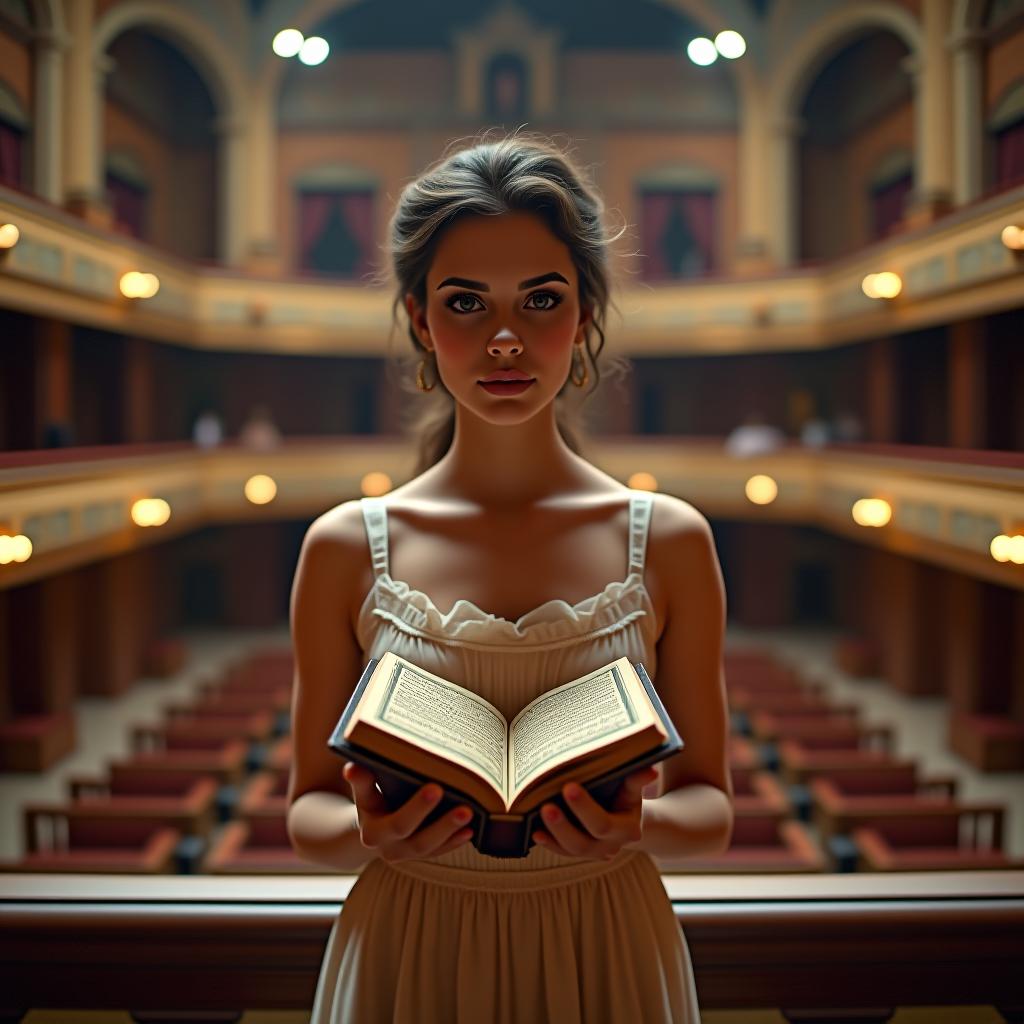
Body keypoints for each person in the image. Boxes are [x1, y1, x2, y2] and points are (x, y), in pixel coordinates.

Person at [287, 133, 732, 1023]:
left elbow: (711, 806)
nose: (503, 339)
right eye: (465, 303)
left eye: (540, 300)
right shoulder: (343, 547)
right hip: (412, 949)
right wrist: (371, 834)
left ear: (584, 315)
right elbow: (306, 811)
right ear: (419, 319)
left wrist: (635, 828)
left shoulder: (671, 540)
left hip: (606, 944)